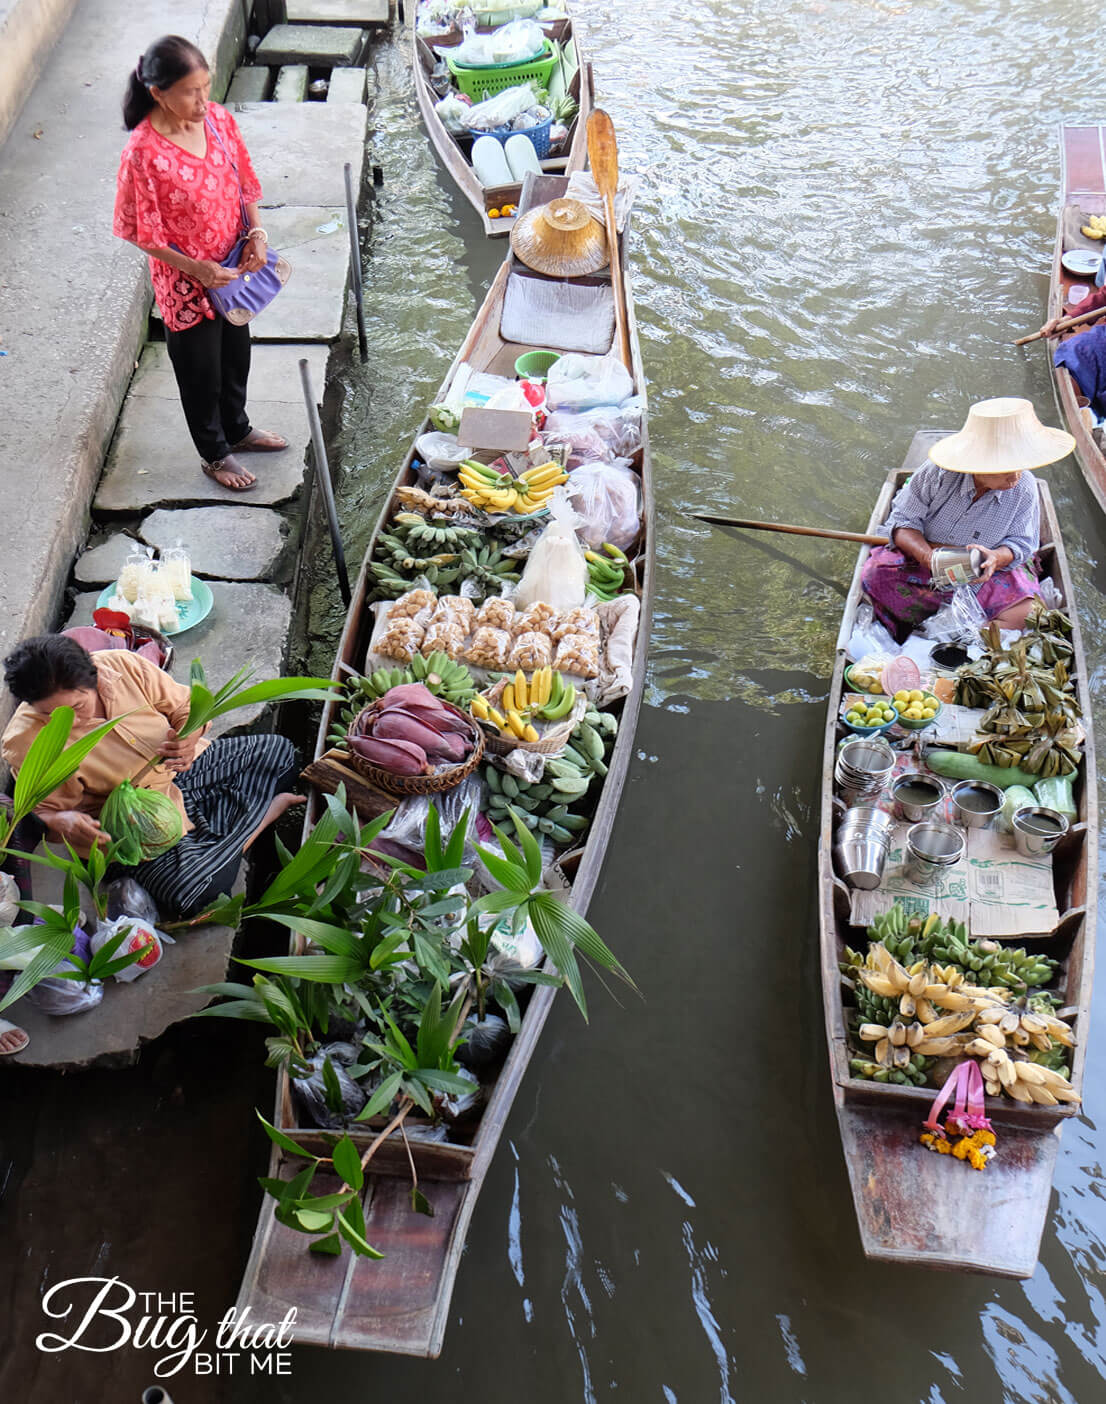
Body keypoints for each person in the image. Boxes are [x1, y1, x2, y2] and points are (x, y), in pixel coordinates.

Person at [1, 636, 303, 919]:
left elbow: (187, 707)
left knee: (281, 754)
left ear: (91, 677)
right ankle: (263, 816)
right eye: (53, 715)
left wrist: (188, 737)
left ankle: (204, 838)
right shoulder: (25, 741)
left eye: (79, 707)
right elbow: (37, 813)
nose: (73, 721)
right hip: (130, 825)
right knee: (192, 893)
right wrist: (60, 821)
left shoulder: (121, 666)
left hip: (181, 772)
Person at [113, 35, 288, 491]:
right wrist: (198, 270)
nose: (202, 100)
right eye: (191, 91)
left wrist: (258, 234)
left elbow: (245, 185)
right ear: (158, 93)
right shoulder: (143, 153)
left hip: (233, 270)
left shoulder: (219, 121)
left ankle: (239, 429)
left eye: (206, 87)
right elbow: (139, 233)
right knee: (200, 373)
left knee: (236, 358)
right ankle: (214, 454)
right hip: (186, 285)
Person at [860, 398, 1074, 641]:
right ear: (978, 464)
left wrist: (995, 558)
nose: (1015, 476)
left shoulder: (1024, 487)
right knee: (875, 575)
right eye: (1006, 469)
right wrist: (928, 557)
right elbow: (903, 523)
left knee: (1030, 614)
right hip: (928, 559)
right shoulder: (937, 473)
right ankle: (929, 628)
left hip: (987, 568)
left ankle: (964, 636)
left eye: (1020, 467)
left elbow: (1022, 544)